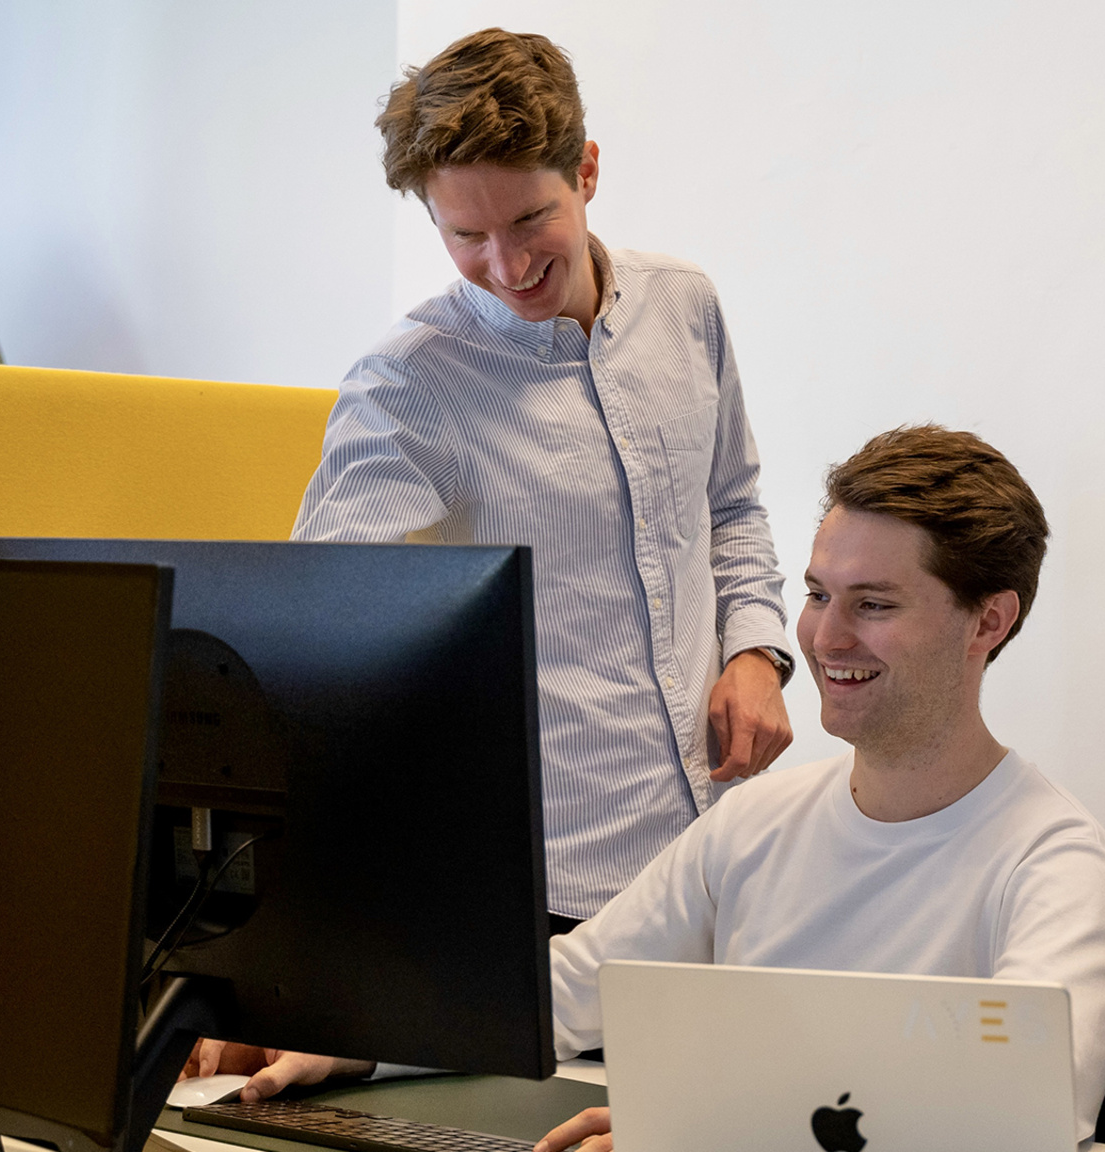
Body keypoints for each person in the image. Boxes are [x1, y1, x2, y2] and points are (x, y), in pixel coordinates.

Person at [187, 25, 793, 1097]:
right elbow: (309, 646)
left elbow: (730, 503)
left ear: (587, 171)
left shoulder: (685, 307)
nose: (505, 266)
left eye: (530, 221)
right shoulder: (405, 384)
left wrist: (755, 651)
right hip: (541, 890)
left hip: (714, 863)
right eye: (464, 234)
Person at [535, 426, 1105, 1152]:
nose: (825, 638)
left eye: (874, 605)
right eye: (819, 594)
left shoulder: (1056, 865)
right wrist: (373, 1032)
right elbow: (563, 994)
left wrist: (697, 1136)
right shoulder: (755, 822)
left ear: (988, 620)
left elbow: (1016, 1129)